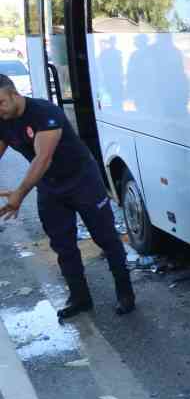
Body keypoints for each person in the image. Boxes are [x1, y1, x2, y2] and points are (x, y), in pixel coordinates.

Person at [0, 74, 134, 318]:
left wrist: (19, 193)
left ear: (14, 93)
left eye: (0, 102)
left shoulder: (44, 112)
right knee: (62, 245)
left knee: (105, 238)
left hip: (82, 181)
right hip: (50, 188)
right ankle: (80, 297)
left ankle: (125, 293)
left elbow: (43, 159)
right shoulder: (2, 120)